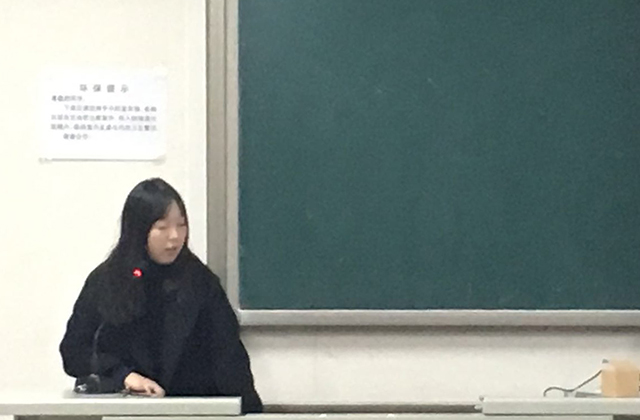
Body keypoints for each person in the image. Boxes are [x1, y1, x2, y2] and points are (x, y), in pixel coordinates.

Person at [60, 178, 262, 413]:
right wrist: (124, 376)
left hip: (191, 411)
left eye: (181, 225)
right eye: (162, 227)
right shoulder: (107, 281)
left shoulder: (200, 282)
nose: (175, 236)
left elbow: (230, 360)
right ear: (139, 230)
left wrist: (250, 412)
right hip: (126, 411)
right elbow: (74, 352)